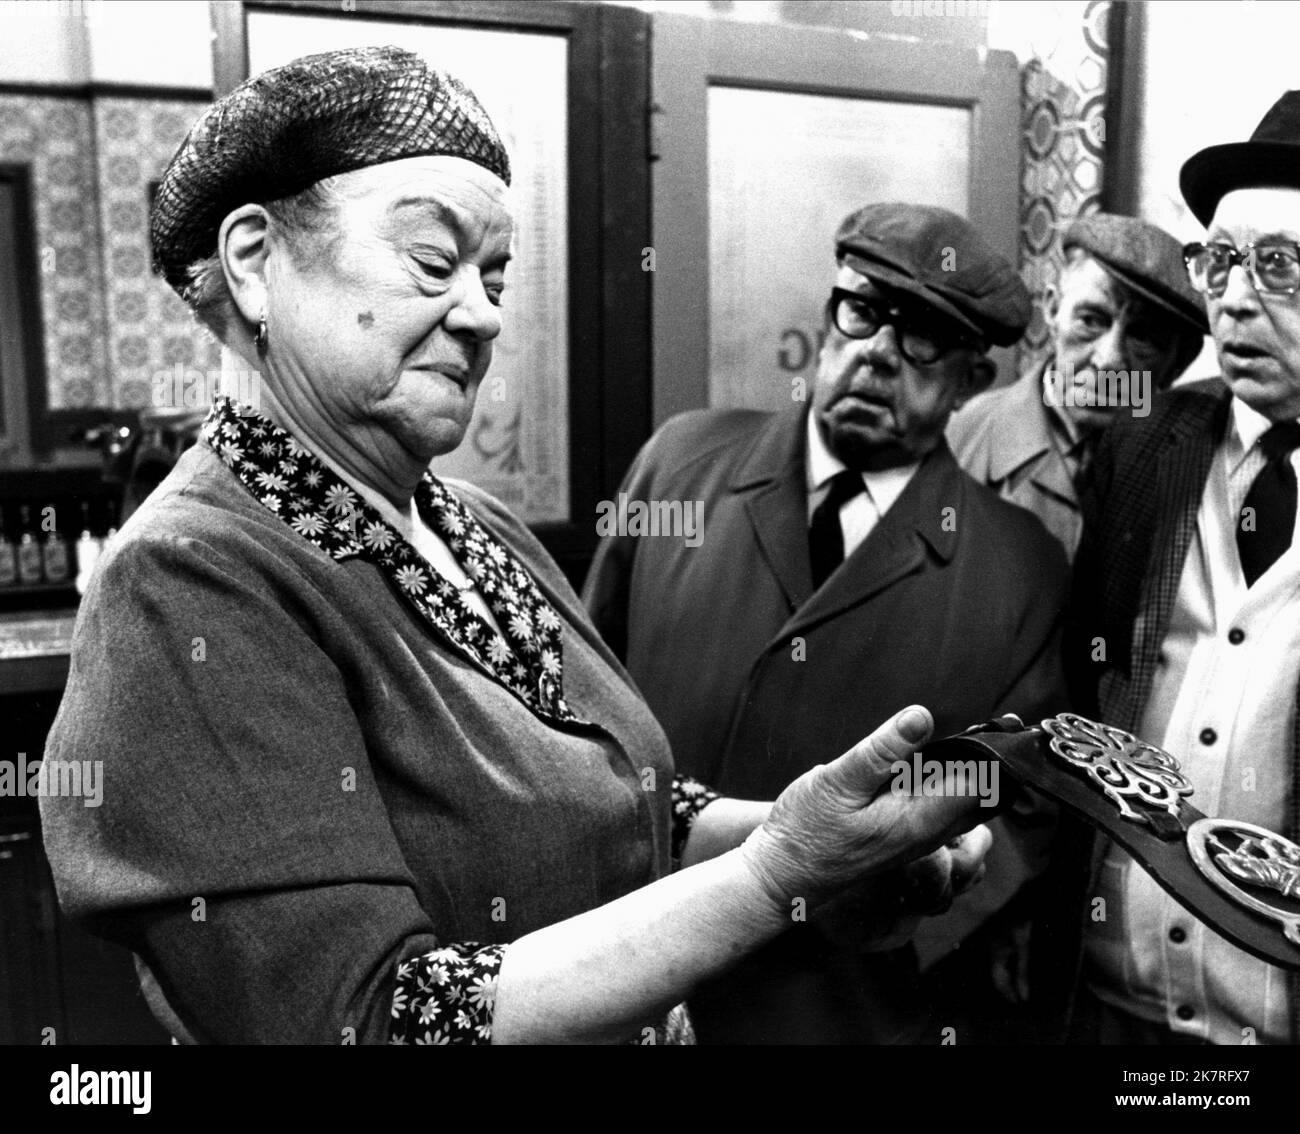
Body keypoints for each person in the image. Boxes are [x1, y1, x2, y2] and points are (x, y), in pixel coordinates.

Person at [37, 47, 994, 1046]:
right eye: (433, 262)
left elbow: (630, 812)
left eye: (495, 275)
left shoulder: (476, 528)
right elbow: (371, 1018)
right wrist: (772, 875)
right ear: (253, 260)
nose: (485, 313)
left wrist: (829, 841)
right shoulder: (195, 577)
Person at [583, 202, 1069, 1044]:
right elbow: (579, 701)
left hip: (851, 1004)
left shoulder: (1020, 564)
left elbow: (1024, 808)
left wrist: (911, 915)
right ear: (828, 314)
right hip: (636, 974)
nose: (879, 352)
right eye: (863, 311)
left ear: (969, 380)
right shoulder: (680, 464)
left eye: (923, 337)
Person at [1064, 91, 1300, 1044]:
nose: (1234, 298)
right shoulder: (1140, 453)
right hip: (1113, 997)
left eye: (1279, 266)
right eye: (1221, 261)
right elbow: (1082, 689)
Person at [948, 213, 1207, 560]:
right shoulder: (957, 439)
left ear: (1178, 362)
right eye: (1090, 321)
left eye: (1142, 336)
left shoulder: (1202, 472)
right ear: (1054, 311)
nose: (1109, 360)